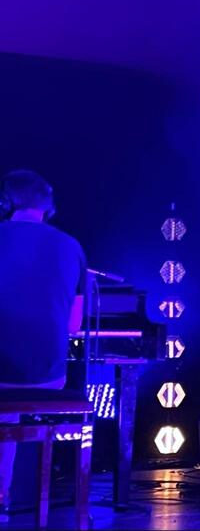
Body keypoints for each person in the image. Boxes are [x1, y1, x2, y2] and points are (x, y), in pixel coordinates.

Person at [0, 171, 86, 520]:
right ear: (48, 208)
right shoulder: (72, 246)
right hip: (48, 376)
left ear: (5, 203)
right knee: (9, 407)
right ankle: (3, 496)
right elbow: (74, 325)